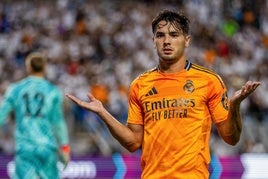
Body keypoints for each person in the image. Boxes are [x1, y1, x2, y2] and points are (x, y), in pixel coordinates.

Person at [66, 10, 261, 179]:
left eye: (174, 34)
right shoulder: (140, 85)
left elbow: (231, 138)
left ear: (187, 40)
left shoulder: (209, 81)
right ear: (153, 40)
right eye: (160, 35)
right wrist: (103, 113)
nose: (166, 41)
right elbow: (133, 142)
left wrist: (234, 107)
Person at [0, 52, 70, 179]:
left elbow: (1, 115)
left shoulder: (15, 89)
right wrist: (65, 147)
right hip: (47, 147)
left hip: (25, 147)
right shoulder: (53, 91)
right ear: (44, 67)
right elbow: (58, 122)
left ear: (28, 67)